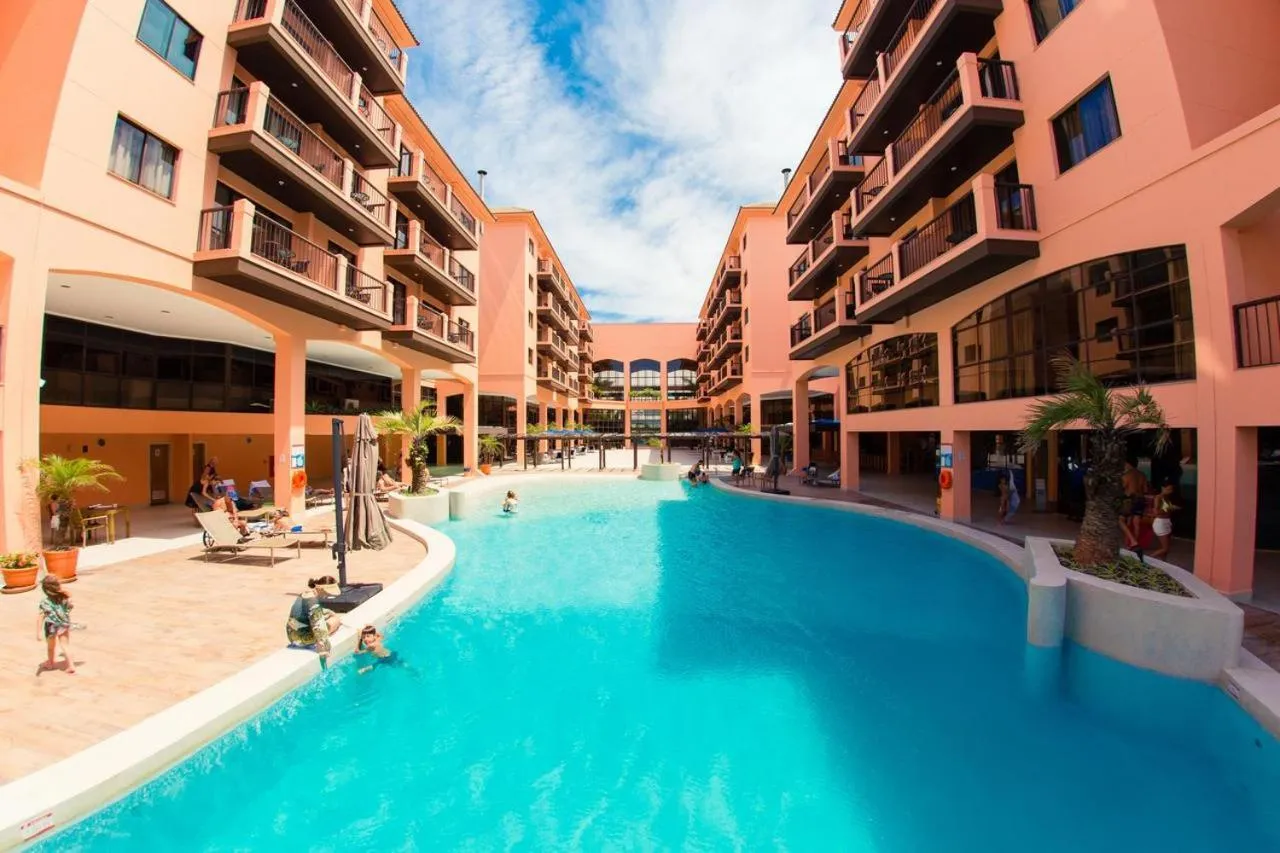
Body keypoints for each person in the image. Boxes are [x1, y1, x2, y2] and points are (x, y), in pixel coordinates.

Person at [286, 576, 342, 662]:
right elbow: (318, 626)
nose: (327, 596)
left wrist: (326, 612)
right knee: (335, 620)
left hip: (291, 633)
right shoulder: (313, 601)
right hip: (301, 639)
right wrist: (323, 647)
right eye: (326, 594)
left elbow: (305, 612)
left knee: (327, 615)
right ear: (320, 589)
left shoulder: (305, 594)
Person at [36, 575, 80, 674]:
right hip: (63, 623)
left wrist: (38, 633)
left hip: (51, 626)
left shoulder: (45, 602)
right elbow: (70, 603)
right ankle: (71, 666)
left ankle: (51, 663)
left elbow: (40, 617)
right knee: (65, 645)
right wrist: (61, 590)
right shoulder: (64, 598)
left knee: (51, 647)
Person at [1120, 459, 1149, 547]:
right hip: (1140, 499)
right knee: (1136, 523)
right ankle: (1132, 544)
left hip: (1129, 499)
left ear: (1128, 463)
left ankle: (1132, 540)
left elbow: (1122, 487)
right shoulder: (1142, 475)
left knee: (1120, 520)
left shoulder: (1126, 475)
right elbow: (1146, 490)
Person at [1151, 481, 1180, 559]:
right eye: (1168, 489)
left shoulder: (1166, 497)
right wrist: (1169, 508)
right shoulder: (1158, 497)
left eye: (1171, 489)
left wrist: (1173, 507)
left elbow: (1166, 509)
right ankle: (1146, 560)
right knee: (1165, 548)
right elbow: (1156, 512)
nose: (1170, 491)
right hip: (1160, 523)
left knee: (1165, 548)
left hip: (1167, 522)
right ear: (1163, 488)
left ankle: (1163, 564)